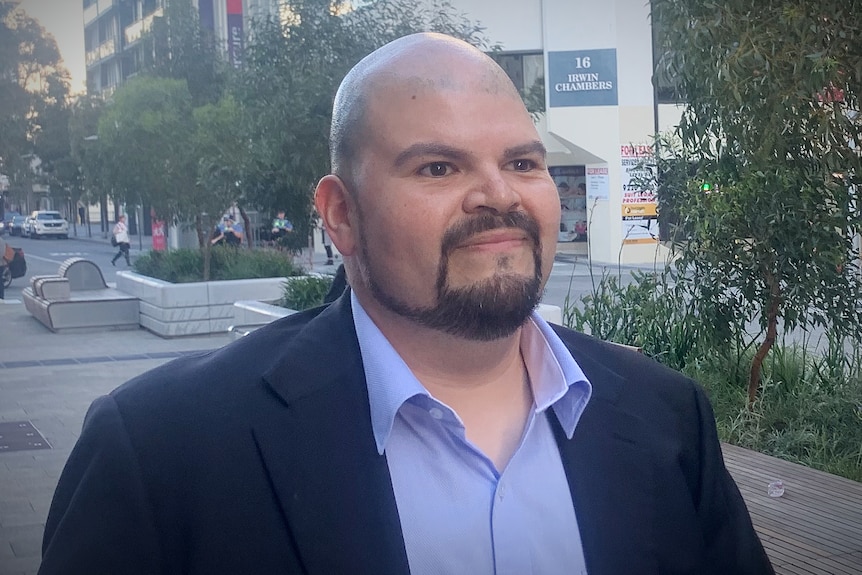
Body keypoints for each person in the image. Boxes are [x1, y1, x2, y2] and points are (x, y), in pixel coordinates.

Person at [40, 33, 773, 575]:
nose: (500, 193)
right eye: (438, 166)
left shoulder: (666, 414)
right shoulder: (161, 450)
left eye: (523, 161)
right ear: (342, 215)